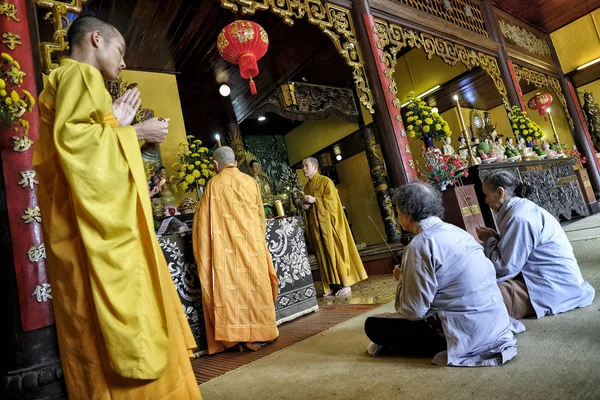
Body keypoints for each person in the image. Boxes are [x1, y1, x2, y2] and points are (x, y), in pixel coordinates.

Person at [33, 16, 202, 399]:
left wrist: (119, 126)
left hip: (76, 229)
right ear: (96, 38)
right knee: (128, 327)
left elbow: (77, 149)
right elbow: (79, 149)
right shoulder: (80, 75)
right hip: (97, 237)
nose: (124, 64)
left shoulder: (65, 81)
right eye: (121, 51)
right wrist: (136, 133)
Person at [365, 183, 524, 366]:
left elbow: (414, 310)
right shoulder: (458, 231)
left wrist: (402, 281)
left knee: (373, 326)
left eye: (397, 211)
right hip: (495, 324)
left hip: (463, 333)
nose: (397, 216)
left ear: (407, 212)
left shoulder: (419, 245)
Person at [192, 146, 279, 354]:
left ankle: (236, 336)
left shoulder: (213, 184)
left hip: (228, 252)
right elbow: (261, 218)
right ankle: (264, 330)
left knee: (234, 292)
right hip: (253, 248)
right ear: (236, 162)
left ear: (215, 165)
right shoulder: (251, 182)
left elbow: (201, 224)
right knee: (256, 288)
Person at [477, 171, 595, 319]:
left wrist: (490, 240)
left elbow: (505, 267)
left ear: (500, 192)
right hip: (545, 278)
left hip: (550, 285)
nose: (486, 201)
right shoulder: (520, 209)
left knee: (481, 296)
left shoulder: (518, 217)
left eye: (487, 195)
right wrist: (494, 237)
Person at [302, 157, 367, 297]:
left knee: (335, 251)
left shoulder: (326, 181)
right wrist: (305, 207)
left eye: (306, 166)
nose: (304, 169)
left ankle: (345, 283)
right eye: (303, 166)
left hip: (330, 226)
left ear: (315, 166)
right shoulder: (306, 187)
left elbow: (333, 202)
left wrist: (315, 200)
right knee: (323, 256)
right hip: (317, 228)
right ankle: (332, 285)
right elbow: (309, 209)